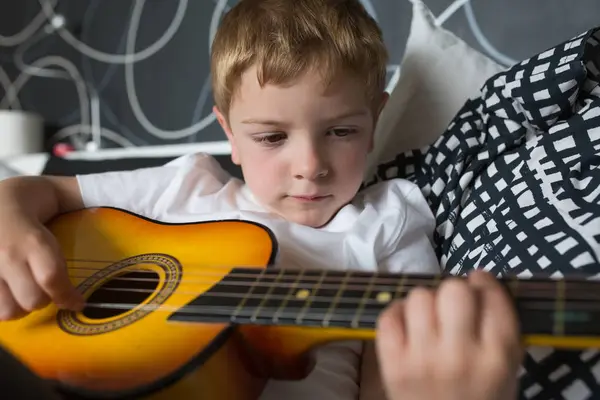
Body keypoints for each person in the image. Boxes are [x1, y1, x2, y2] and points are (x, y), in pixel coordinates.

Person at [0, 0, 523, 399]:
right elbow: (44, 189)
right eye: (272, 137)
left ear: (376, 120)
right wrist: (10, 213)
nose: (309, 164)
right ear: (228, 131)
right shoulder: (186, 185)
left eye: (341, 131)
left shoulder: (388, 221)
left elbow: (397, 374)